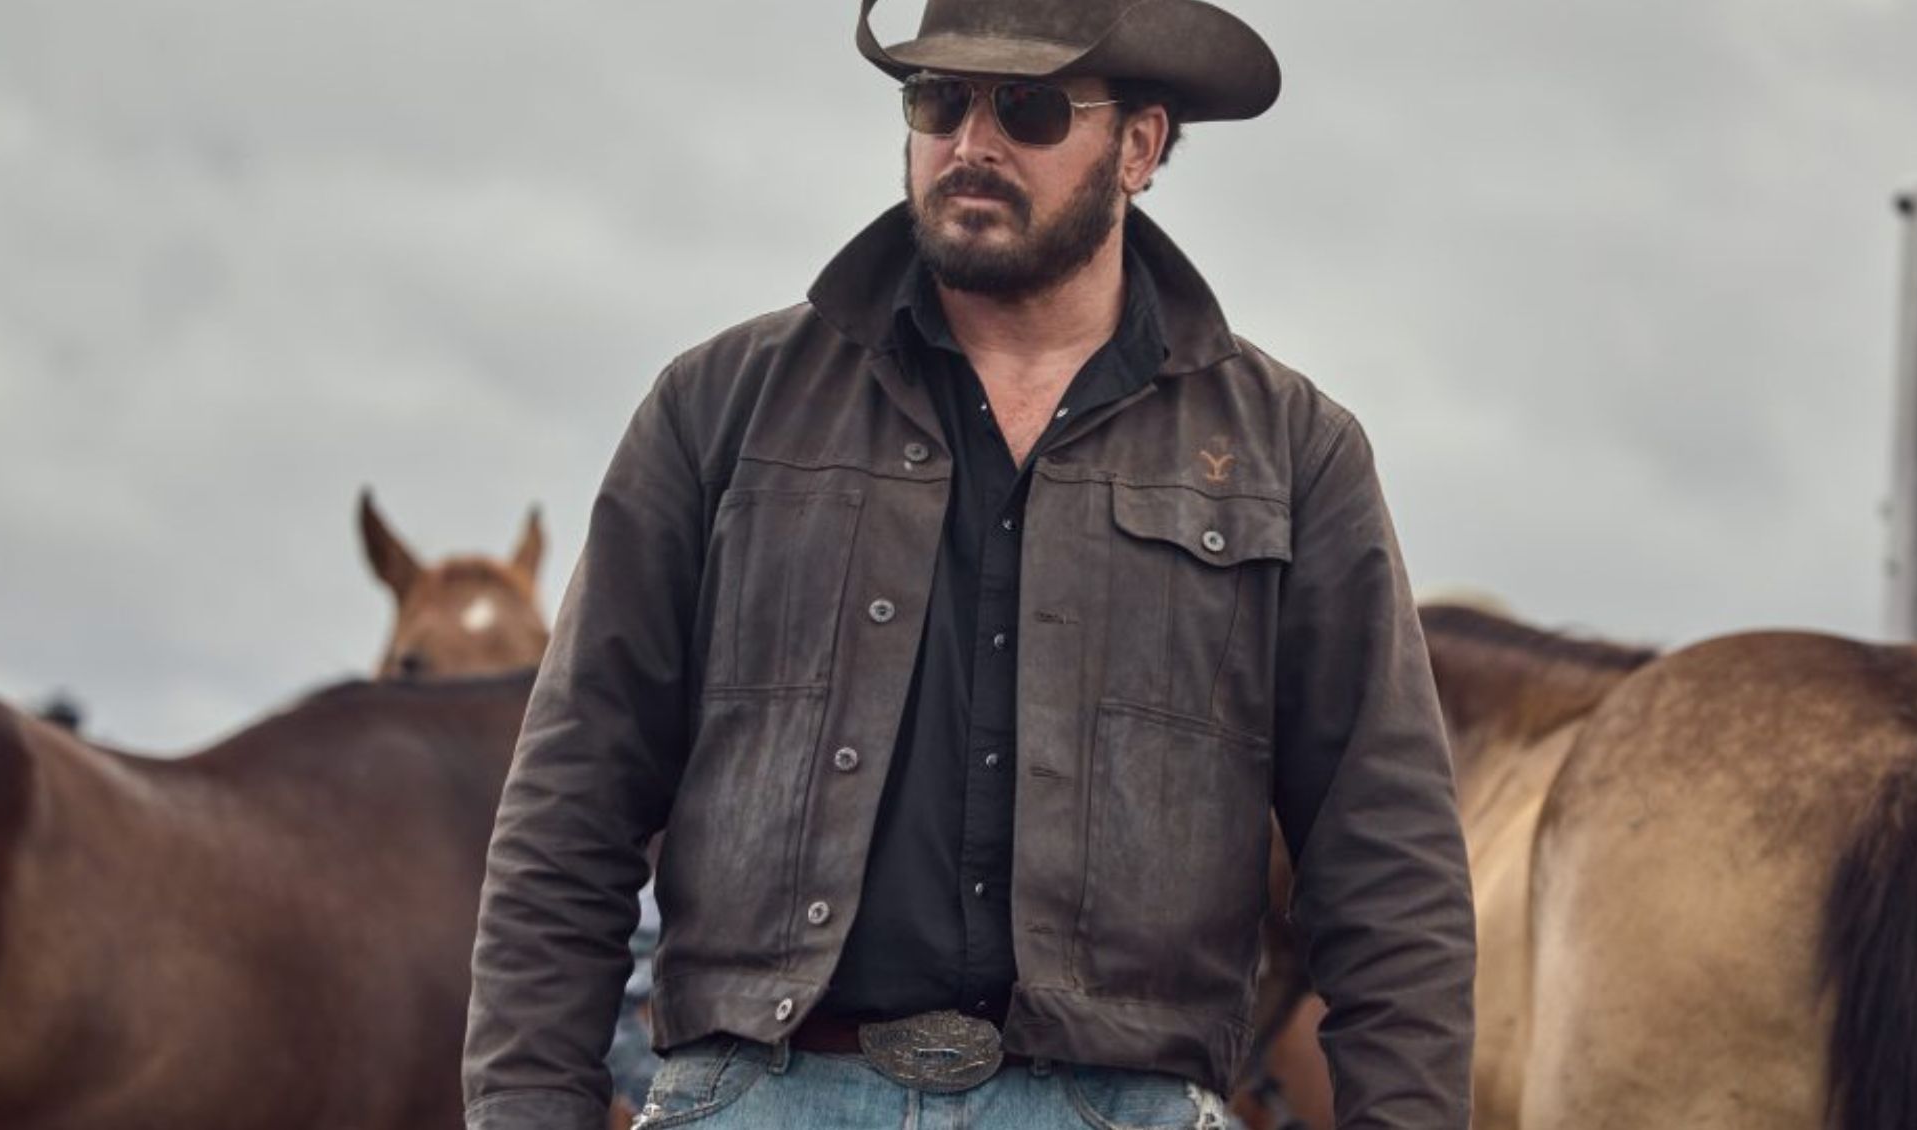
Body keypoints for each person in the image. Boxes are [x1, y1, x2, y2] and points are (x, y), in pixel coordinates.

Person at [459, 1, 1475, 1127]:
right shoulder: (720, 409)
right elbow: (568, 814)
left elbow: (1388, 868)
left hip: (1117, 1105)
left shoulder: (1291, 453)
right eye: (938, 100)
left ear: (1139, 145)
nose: (971, 143)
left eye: (1029, 108)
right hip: (757, 1093)